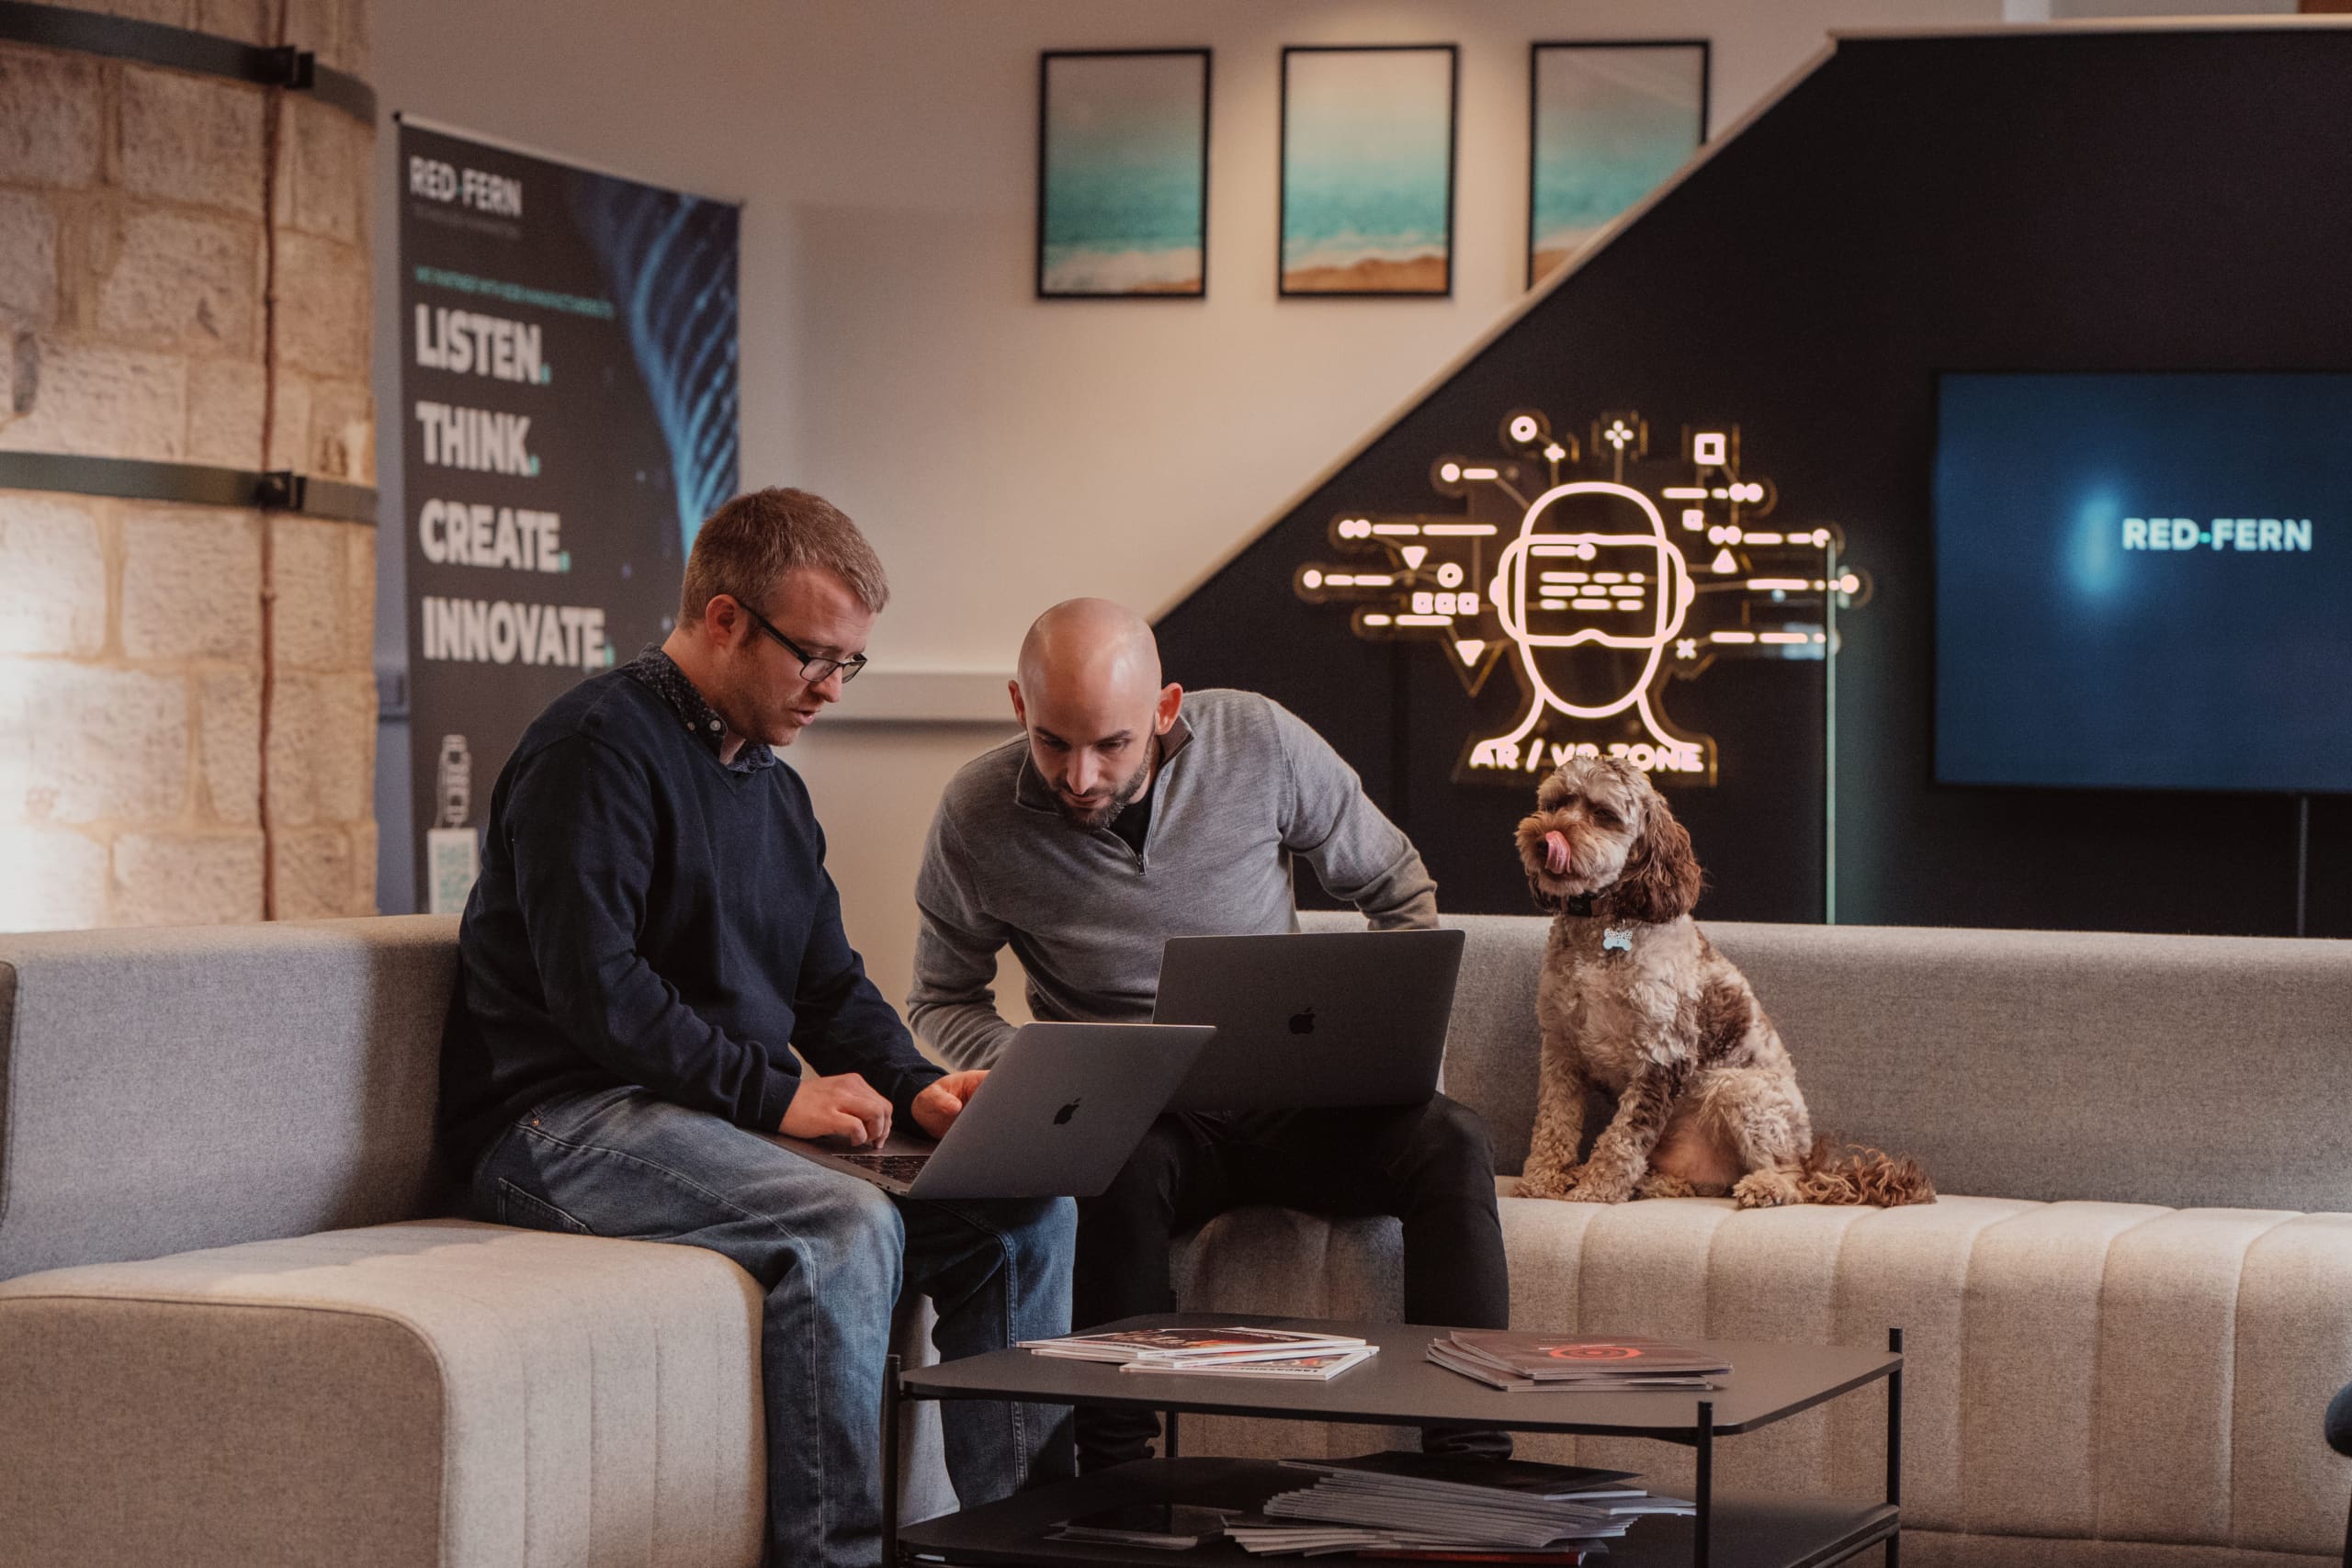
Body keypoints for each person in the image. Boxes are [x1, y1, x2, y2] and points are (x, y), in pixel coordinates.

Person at [437, 489, 1075, 1568]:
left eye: (849, 664)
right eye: (814, 658)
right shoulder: (594, 748)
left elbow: (825, 981)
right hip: (555, 1123)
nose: (831, 688)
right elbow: (601, 994)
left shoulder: (769, 788)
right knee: (842, 1228)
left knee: (1023, 1212)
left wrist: (919, 1085)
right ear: (723, 618)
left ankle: (1017, 1550)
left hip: (691, 1114)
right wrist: (777, 1095)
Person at [908, 597, 1511, 1472]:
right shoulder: (974, 815)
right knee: (1111, 1169)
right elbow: (940, 1001)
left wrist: (1395, 1050)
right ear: (1018, 708)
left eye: (1111, 744)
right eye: (1052, 742)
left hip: (1297, 1101)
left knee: (1453, 1140)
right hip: (1140, 1124)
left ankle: (1472, 1468)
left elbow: (1397, 890)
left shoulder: (1258, 743)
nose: (1079, 776)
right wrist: (1047, 1065)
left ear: (1165, 709)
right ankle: (1117, 1482)